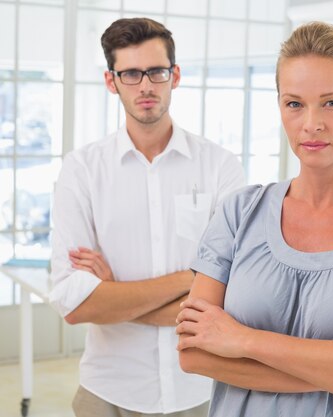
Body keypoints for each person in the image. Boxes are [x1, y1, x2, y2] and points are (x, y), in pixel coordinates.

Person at [174, 21, 333, 417]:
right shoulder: (239, 212)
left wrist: (243, 340)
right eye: (294, 103)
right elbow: (194, 354)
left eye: (331, 102)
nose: (311, 123)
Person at [48, 17, 246, 417]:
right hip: (108, 393)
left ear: (174, 76)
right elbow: (74, 304)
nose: (145, 86)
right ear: (111, 81)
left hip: (200, 392)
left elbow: (235, 293)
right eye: (131, 74)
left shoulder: (220, 167)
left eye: (155, 72)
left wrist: (114, 293)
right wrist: (193, 277)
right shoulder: (82, 170)